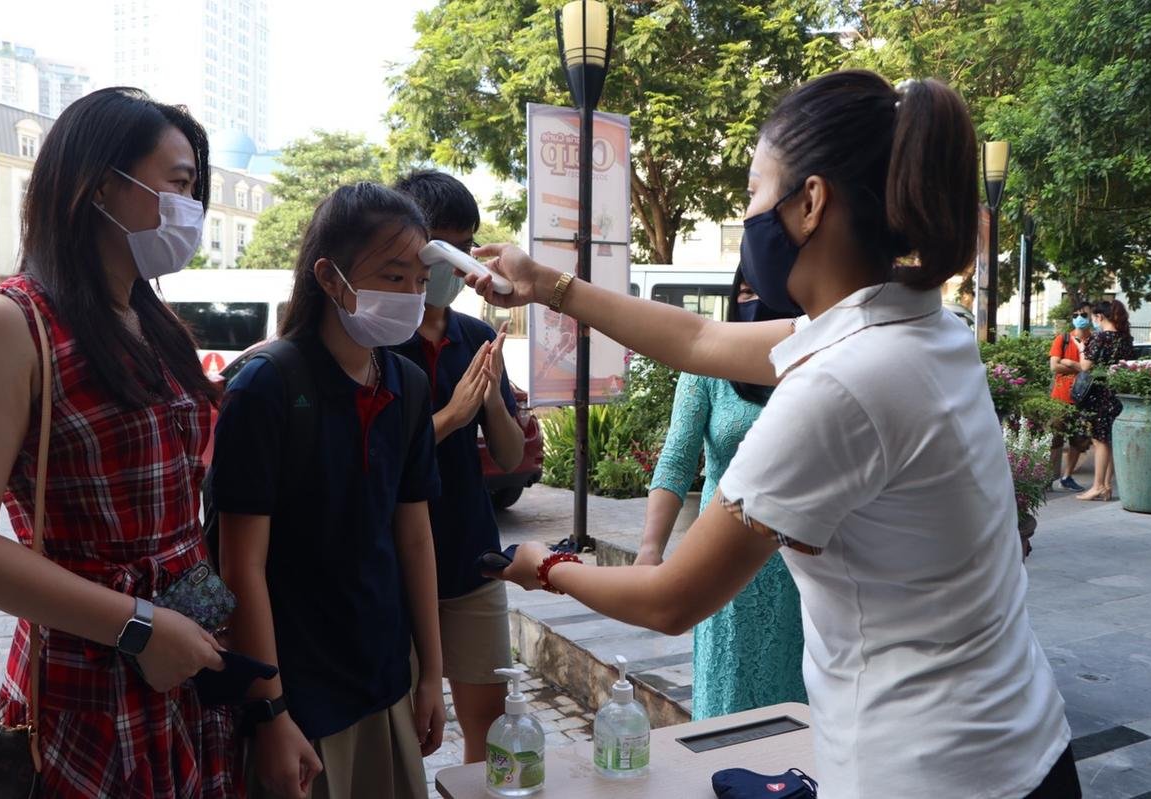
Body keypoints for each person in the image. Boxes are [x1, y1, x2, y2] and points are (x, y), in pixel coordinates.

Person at [467, 70, 1078, 798]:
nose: (749, 213)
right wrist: (549, 285)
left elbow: (671, 600)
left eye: (755, 192)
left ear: (811, 201)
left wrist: (542, 567)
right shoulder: (916, 326)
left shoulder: (841, 385)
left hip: (930, 773)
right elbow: (698, 338)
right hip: (1027, 747)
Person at [0, 87, 237, 797]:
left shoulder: (154, 321)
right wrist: (141, 628)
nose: (191, 209)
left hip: (181, 671)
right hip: (88, 682)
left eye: (197, 190)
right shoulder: (8, 323)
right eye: (177, 184)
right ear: (99, 185)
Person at [211, 182, 446, 799]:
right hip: (300, 696)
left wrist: (431, 676)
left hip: (385, 677)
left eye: (420, 282)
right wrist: (270, 712)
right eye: (393, 277)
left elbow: (415, 538)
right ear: (329, 276)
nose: (411, 297)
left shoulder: (409, 385)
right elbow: (243, 568)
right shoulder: (267, 386)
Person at [391, 170, 526, 764]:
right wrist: (451, 415)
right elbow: (373, 460)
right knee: (399, 733)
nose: (457, 264)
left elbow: (510, 454)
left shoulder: (474, 335)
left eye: (466, 246)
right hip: (392, 570)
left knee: (490, 726)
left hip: (473, 561)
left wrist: (490, 395)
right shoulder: (374, 337)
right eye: (442, 246)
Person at [635, 268, 805, 719]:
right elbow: (676, 460)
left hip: (801, 565)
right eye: (743, 293)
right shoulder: (708, 367)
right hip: (723, 556)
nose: (751, 304)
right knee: (727, 709)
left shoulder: (811, 366)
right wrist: (650, 550)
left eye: (762, 292)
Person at [1075, 299, 1135, 502]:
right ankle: (1107, 486)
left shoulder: (1100, 338)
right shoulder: (1126, 339)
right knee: (1109, 439)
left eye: (1093, 317)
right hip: (1117, 393)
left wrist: (1082, 347)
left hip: (1099, 394)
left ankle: (1098, 485)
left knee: (1100, 441)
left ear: (1099, 317)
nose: (1093, 321)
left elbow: (1085, 366)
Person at [1048, 301, 1094, 491]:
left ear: (1091, 317)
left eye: (1083, 315)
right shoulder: (1063, 339)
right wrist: (1079, 366)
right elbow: (1054, 366)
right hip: (1059, 398)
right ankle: (1049, 479)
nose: (1079, 319)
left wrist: (1070, 363)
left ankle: (1067, 476)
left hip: (1082, 399)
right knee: (1054, 439)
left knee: (1079, 440)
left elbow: (1090, 369)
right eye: (1075, 315)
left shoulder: (1093, 341)